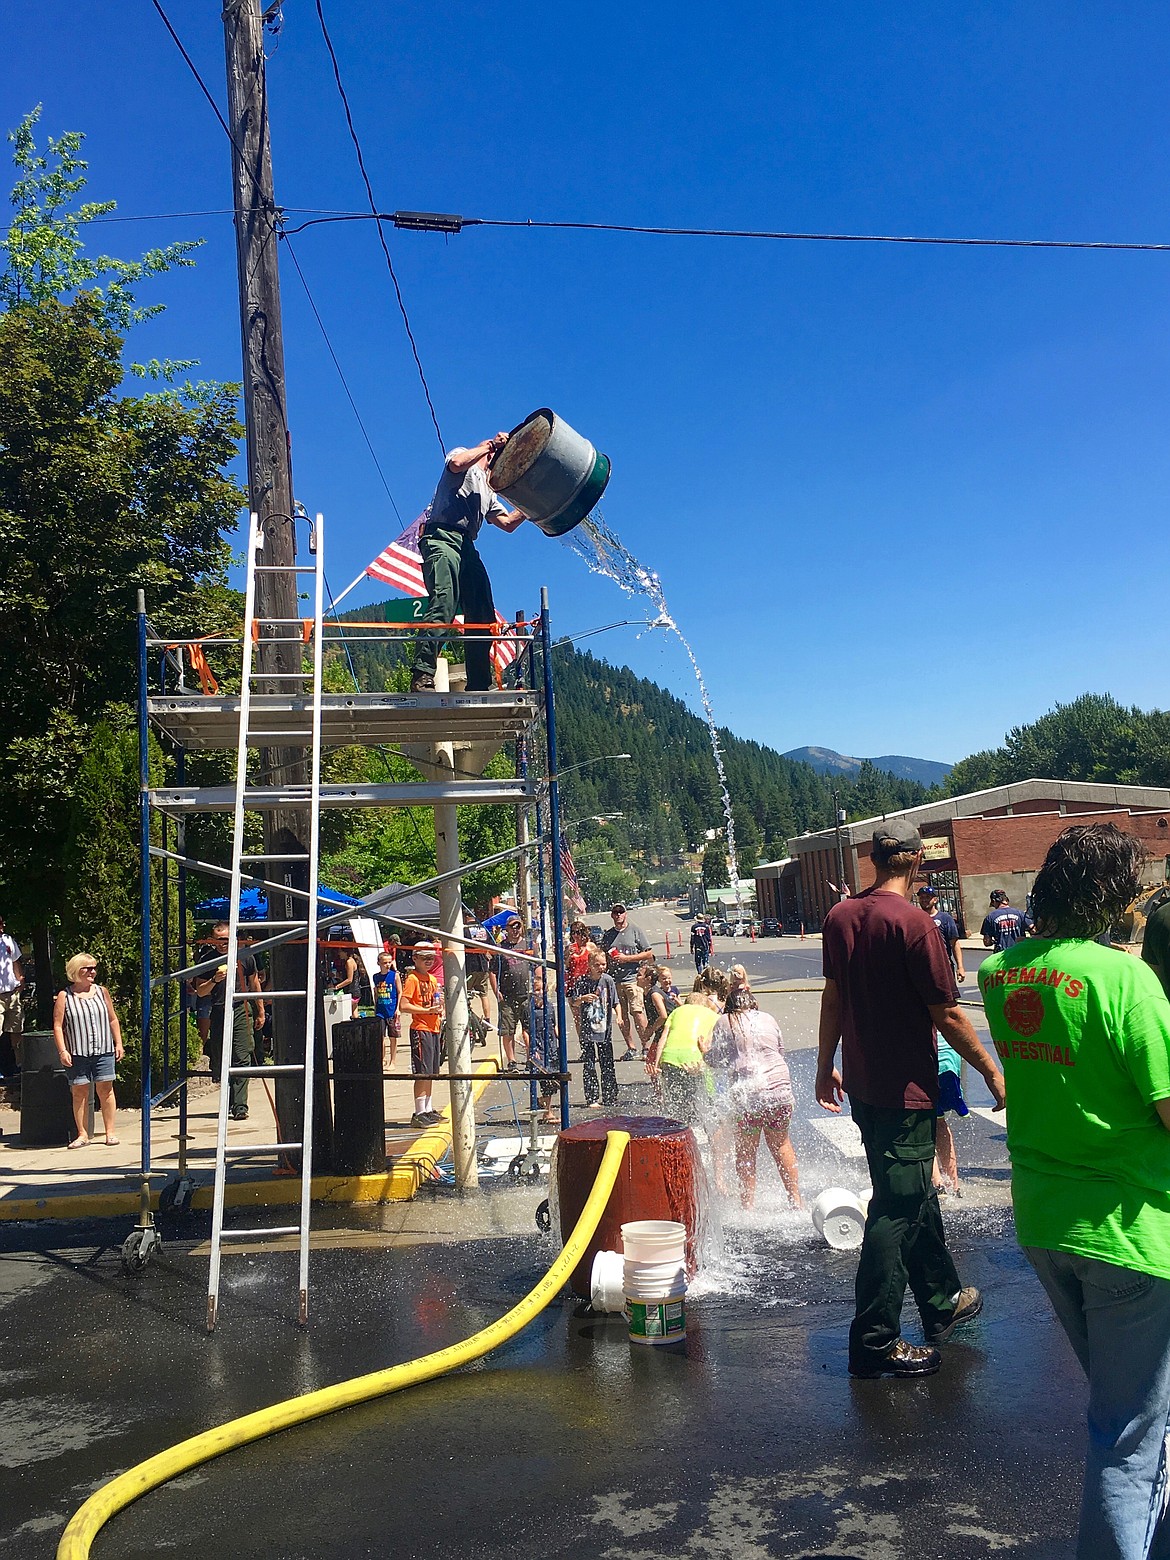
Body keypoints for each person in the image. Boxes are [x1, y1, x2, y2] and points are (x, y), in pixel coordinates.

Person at [979, 824, 1170, 1559]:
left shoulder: (1004, 971)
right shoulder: (1127, 980)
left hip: (1046, 1219)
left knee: (1133, 1411)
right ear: (1116, 895)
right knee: (1127, 1434)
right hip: (1130, 1226)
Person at [816, 821, 1006, 1379]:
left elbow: (833, 995)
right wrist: (994, 1073)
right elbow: (946, 1013)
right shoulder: (916, 924)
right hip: (905, 1093)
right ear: (918, 861)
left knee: (914, 1193)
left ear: (874, 860)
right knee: (895, 1209)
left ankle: (942, 1301)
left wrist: (828, 1064)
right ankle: (874, 1341)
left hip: (866, 1089)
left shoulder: (840, 916)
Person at [410, 432, 527, 693]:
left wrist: (532, 506)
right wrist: (488, 445)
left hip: (466, 546)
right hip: (440, 536)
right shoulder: (463, 456)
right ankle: (422, 674)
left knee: (483, 612)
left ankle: (479, 683)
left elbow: (507, 524)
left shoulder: (488, 487)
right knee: (444, 602)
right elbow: (456, 464)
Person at [708, 989, 800, 1210]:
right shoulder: (768, 1018)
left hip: (749, 1096)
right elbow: (780, 1051)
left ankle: (747, 1206)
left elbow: (716, 1060)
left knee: (746, 1150)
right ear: (754, 1004)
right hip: (780, 1092)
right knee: (781, 1144)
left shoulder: (724, 1021)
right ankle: (796, 1200)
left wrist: (704, 1051)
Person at [916, 884, 970, 1195]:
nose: (925, 900)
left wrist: (959, 966)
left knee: (929, 1121)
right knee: (938, 1122)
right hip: (945, 1059)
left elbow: (955, 944)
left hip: (934, 1061)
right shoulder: (946, 1005)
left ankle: (941, 1183)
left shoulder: (944, 920)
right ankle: (950, 1183)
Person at [194, 923, 265, 1122]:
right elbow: (200, 991)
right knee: (221, 1057)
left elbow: (255, 984)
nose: (221, 945)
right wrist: (215, 979)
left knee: (242, 1055)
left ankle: (240, 1106)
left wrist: (260, 1011)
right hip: (219, 1010)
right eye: (217, 941)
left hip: (241, 1008)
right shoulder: (207, 960)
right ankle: (228, 1100)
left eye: (224, 940)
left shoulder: (245, 956)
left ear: (232, 938)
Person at [52, 953, 123, 1148]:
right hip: (78, 1051)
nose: (92, 972)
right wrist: (62, 1050)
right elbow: (58, 1026)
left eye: (94, 968)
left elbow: (112, 1019)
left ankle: (110, 1132)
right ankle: (82, 1134)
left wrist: (118, 1043)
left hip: (103, 1048)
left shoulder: (102, 992)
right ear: (76, 971)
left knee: (105, 1090)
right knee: (79, 1092)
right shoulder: (64, 995)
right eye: (87, 968)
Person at [646, 991, 720, 1125]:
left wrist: (657, 1064)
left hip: (669, 1057)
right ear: (706, 1005)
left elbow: (663, 1039)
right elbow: (708, 1043)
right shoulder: (713, 1016)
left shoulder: (676, 1012)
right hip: (694, 1058)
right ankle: (699, 1129)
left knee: (674, 1101)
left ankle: (675, 1130)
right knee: (701, 1100)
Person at [399, 942, 444, 1127]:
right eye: (424, 958)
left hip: (434, 1027)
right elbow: (404, 1005)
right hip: (421, 1027)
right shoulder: (413, 979)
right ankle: (419, 1112)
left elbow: (436, 1001)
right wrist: (425, 1011)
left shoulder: (432, 980)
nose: (428, 961)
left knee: (432, 1072)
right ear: (415, 958)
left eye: (431, 958)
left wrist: (438, 1008)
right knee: (422, 1072)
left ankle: (428, 1108)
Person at [601, 903, 654, 1061]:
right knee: (622, 1016)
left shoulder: (635, 930)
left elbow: (649, 954)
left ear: (625, 914)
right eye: (615, 912)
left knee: (637, 1012)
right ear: (612, 915)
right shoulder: (608, 935)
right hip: (615, 981)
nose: (618, 915)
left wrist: (627, 959)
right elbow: (602, 954)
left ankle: (646, 1046)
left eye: (621, 912)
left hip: (632, 979)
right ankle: (631, 1047)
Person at [572, 948, 619, 1109]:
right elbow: (574, 1002)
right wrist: (583, 998)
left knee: (607, 1063)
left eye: (603, 964)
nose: (601, 967)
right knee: (589, 1063)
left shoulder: (608, 980)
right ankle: (592, 1096)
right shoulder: (582, 982)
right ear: (590, 965)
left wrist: (619, 1016)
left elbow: (615, 1001)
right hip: (587, 1031)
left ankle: (610, 1095)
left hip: (605, 1030)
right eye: (597, 964)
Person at [495, 918, 532, 1074]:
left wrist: (538, 987)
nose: (515, 929)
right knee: (508, 1030)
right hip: (507, 996)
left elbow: (536, 966)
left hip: (526, 995)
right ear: (507, 929)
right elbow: (492, 970)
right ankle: (511, 1061)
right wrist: (496, 990)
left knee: (529, 1029)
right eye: (512, 927)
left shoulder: (528, 945)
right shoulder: (501, 948)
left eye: (518, 926)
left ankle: (531, 1059)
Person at [528, 965, 560, 1124]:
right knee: (545, 1080)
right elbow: (526, 1031)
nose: (539, 994)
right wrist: (532, 1050)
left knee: (553, 1079)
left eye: (542, 991)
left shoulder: (549, 1006)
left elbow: (554, 1026)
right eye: (537, 992)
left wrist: (561, 1041)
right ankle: (547, 1113)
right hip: (538, 1047)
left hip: (551, 1046)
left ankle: (543, 1104)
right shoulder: (529, 1008)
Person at [0, 913, 24, 1089]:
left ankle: (19, 1067)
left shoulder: (7, 940)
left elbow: (15, 961)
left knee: (16, 1030)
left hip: (13, 993)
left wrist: (20, 979)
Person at [373, 950, 400, 1069]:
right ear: (379, 963)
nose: (387, 965)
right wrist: (375, 1006)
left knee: (393, 1037)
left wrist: (398, 1008)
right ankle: (382, 1058)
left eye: (389, 962)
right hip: (380, 1010)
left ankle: (392, 1061)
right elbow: (376, 993)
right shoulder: (376, 977)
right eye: (385, 962)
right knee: (380, 1037)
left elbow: (400, 992)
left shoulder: (395, 976)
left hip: (392, 1009)